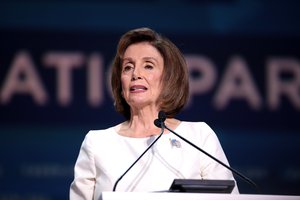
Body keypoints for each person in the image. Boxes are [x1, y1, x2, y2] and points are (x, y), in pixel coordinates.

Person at [69, 27, 239, 199]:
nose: (136, 74)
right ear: (121, 83)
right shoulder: (97, 143)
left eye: (148, 66)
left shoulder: (199, 137)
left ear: (168, 78)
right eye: (128, 67)